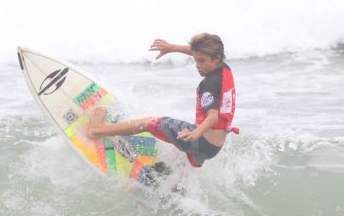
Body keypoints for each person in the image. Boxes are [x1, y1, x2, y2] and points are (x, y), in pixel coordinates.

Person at [87, 33, 239, 168]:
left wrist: (196, 134)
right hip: (214, 147)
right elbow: (197, 52)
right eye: (196, 60)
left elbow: (213, 117)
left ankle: (98, 130)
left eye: (202, 61)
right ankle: (175, 189)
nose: (198, 66)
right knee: (179, 158)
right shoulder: (224, 69)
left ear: (216, 58)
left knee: (150, 123)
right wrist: (171, 47)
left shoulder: (209, 84)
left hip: (201, 139)